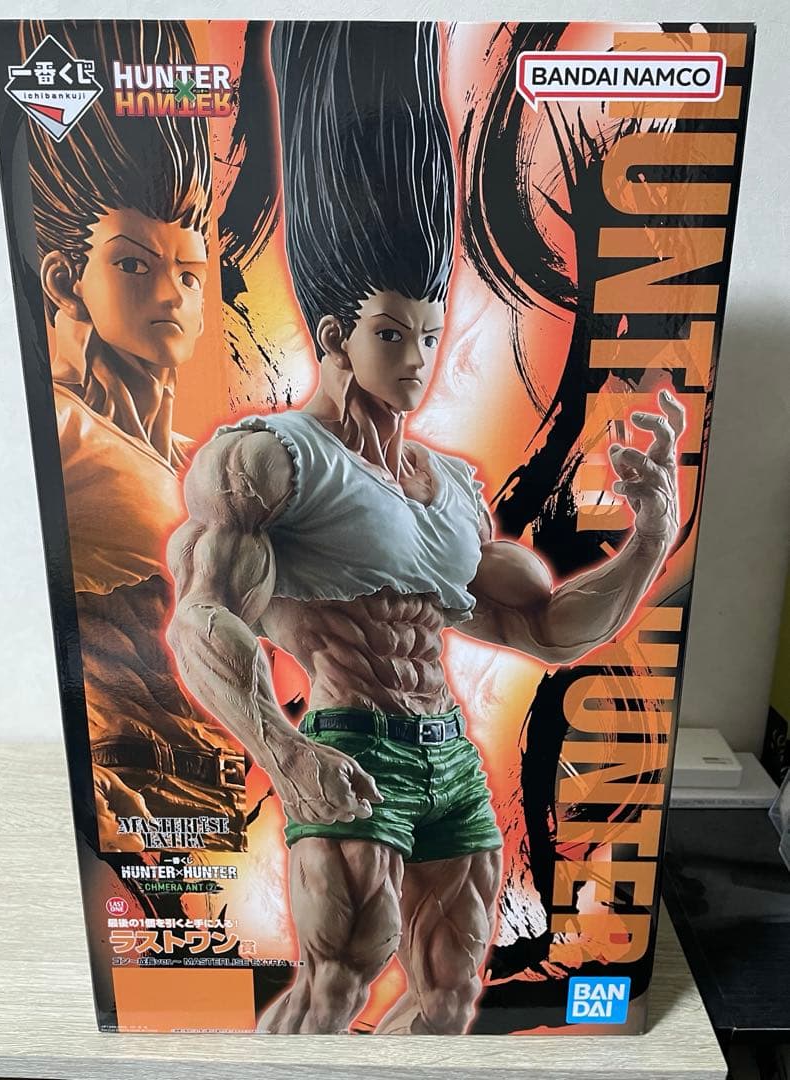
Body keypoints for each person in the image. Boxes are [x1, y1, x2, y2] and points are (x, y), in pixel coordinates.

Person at [167, 22, 683, 1033]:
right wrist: (287, 755)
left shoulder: (451, 487)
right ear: (334, 336)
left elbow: (542, 630)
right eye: (391, 334)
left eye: (431, 333)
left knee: (448, 996)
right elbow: (201, 621)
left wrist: (649, 542)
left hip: (448, 757)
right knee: (336, 984)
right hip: (350, 747)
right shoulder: (269, 459)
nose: (418, 360)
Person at [26, 20, 245, 849]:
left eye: (189, 272)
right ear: (64, 281)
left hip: (217, 804)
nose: (172, 295)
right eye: (133, 264)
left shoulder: (194, 459)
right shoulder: (56, 429)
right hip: (114, 809)